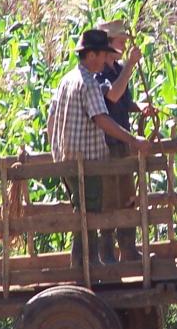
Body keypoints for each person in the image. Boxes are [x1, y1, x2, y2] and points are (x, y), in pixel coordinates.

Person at [46, 28, 151, 268]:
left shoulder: (68, 80)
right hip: (87, 162)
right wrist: (134, 141)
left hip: (68, 160)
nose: (105, 60)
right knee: (90, 215)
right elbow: (101, 119)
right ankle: (87, 268)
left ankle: (85, 266)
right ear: (91, 55)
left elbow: (51, 120)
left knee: (83, 213)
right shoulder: (89, 83)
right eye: (103, 54)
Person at [93, 19, 151, 263]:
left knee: (128, 196)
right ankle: (106, 252)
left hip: (122, 143)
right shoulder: (99, 73)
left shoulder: (116, 69)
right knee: (109, 197)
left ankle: (128, 248)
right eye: (121, 42)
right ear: (108, 44)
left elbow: (123, 102)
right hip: (107, 143)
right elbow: (113, 96)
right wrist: (131, 65)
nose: (125, 46)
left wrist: (140, 107)